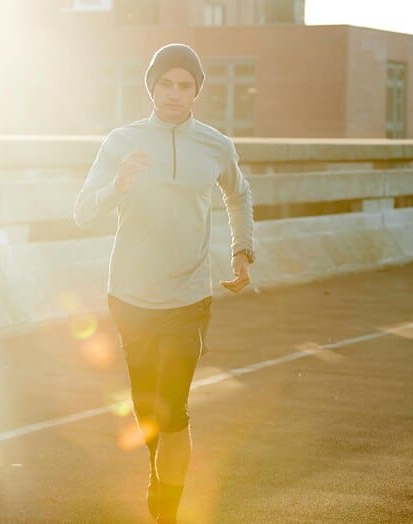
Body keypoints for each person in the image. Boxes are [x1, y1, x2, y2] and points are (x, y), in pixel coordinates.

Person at [73, 43, 256, 523]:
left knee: (173, 407)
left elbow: (239, 194)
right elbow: (82, 211)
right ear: (151, 86)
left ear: (197, 91)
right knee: (146, 405)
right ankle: (162, 471)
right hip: (130, 296)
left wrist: (242, 249)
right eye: (166, 83)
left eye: (185, 85)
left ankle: (167, 509)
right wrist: (120, 186)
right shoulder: (121, 142)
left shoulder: (216, 145)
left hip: (188, 296)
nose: (174, 94)